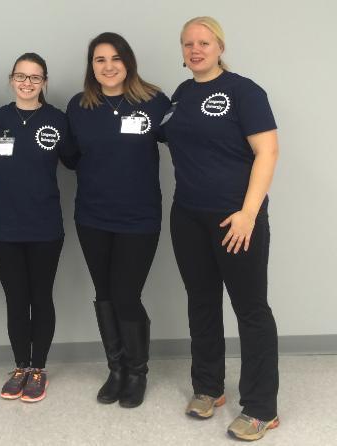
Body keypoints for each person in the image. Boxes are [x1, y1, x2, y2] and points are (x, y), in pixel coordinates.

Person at [162, 16, 279, 441]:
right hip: (188, 216)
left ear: (220, 47)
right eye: (188, 43)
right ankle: (208, 387)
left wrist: (249, 213)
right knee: (202, 302)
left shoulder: (245, 92)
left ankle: (262, 407)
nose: (195, 50)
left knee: (250, 310)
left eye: (204, 43)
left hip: (236, 219)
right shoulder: (181, 94)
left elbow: (267, 152)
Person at [65, 32, 170, 408]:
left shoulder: (155, 101)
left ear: (128, 61)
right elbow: (71, 156)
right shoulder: (79, 106)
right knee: (105, 293)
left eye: (115, 58)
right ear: (91, 66)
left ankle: (138, 372)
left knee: (127, 294)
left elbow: (188, 141)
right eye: (99, 60)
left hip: (139, 217)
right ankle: (116, 370)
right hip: (93, 216)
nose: (108, 66)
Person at [0, 53, 70, 402]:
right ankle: (20, 366)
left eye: (35, 77)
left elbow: (77, 160)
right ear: (11, 79)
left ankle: (39, 369)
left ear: (44, 82)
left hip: (45, 226)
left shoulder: (58, 120)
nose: (27, 83)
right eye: (21, 76)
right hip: (4, 227)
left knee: (40, 296)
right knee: (16, 299)